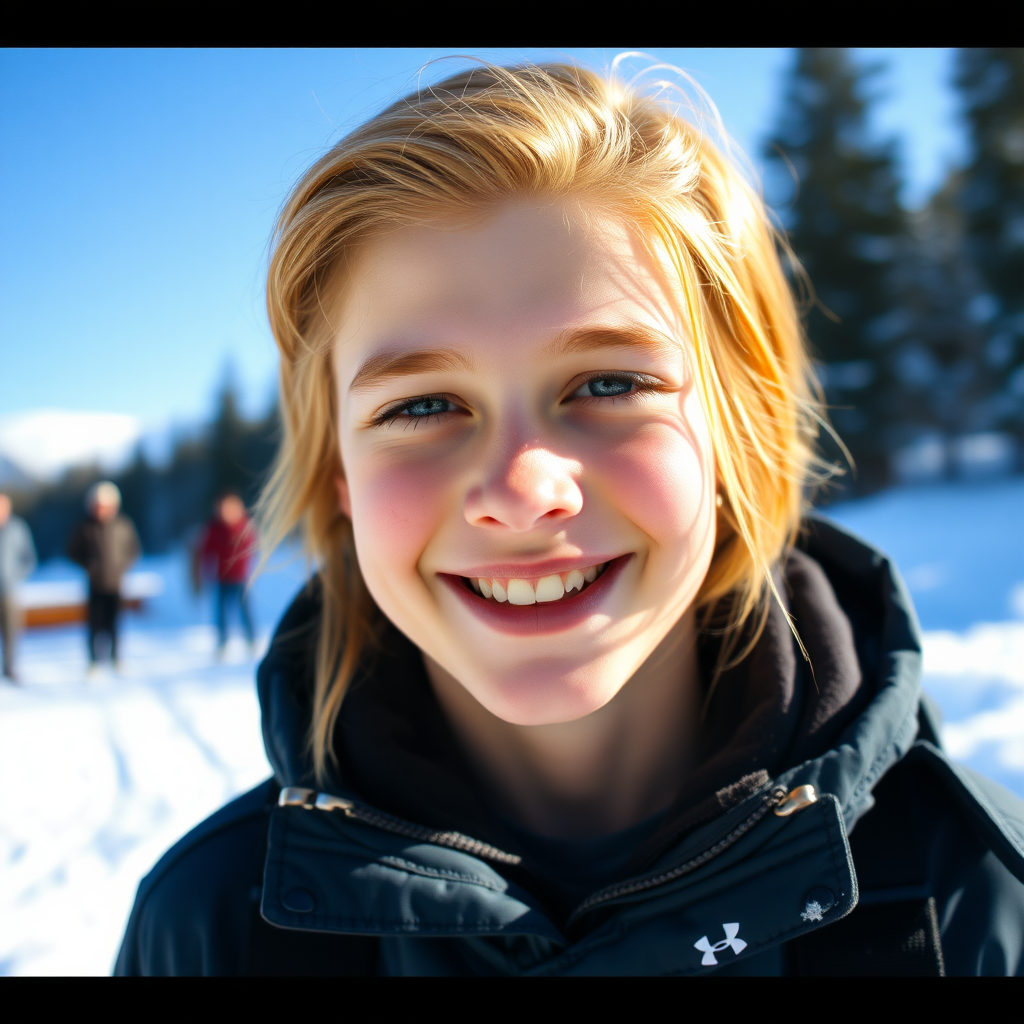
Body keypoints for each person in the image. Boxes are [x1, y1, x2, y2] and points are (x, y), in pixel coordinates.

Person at [116, 63, 1024, 976]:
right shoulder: (212, 932)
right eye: (423, 406)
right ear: (340, 478)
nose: (520, 489)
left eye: (609, 383)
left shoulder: (973, 893)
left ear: (735, 431)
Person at [68, 481, 140, 674]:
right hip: (94, 584)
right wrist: (88, 565)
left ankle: (116, 658)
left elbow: (134, 550)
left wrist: (122, 567)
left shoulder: (123, 525)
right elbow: (72, 551)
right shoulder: (85, 527)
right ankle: (93, 661)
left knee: (115, 624)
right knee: (94, 624)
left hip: (116, 584)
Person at [193, 492, 257, 656]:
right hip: (222, 577)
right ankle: (222, 642)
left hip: (241, 577)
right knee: (221, 612)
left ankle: (251, 640)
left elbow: (253, 547)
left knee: (245, 610)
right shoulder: (214, 528)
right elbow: (205, 551)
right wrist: (201, 573)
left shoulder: (244, 526)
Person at [0, 492, 37, 683]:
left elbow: (29, 559)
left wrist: (15, 577)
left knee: (11, 632)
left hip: (9, 592)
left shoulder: (18, 528)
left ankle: (10, 668)